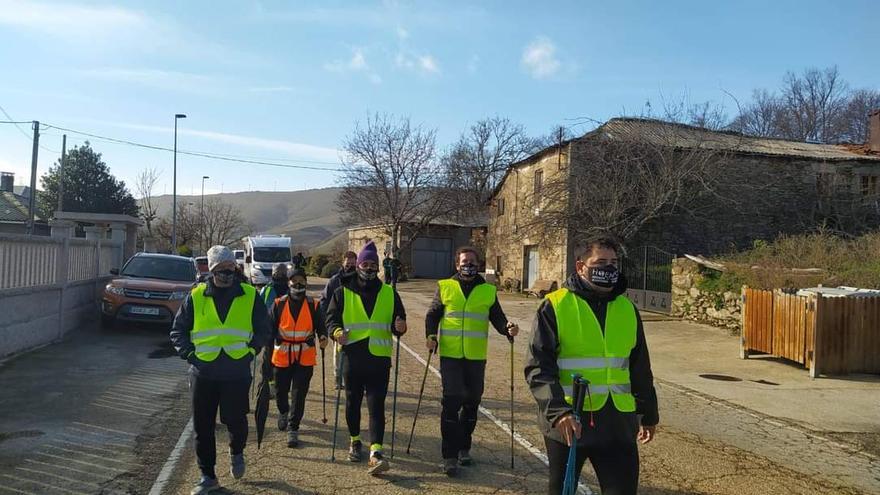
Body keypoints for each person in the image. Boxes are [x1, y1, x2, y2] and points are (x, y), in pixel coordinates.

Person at [524, 236, 659, 495]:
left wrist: (649, 413)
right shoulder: (555, 305)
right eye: (600, 262)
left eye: (613, 263)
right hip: (570, 421)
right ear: (580, 267)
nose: (608, 269)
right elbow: (538, 366)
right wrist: (558, 412)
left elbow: (640, 367)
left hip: (619, 423)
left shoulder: (627, 309)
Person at [170, 245, 271, 495]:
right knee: (203, 426)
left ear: (235, 269)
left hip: (236, 372)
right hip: (203, 372)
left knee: (235, 420)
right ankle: (208, 476)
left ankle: (236, 451)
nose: (225, 274)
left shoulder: (250, 294)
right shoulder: (196, 296)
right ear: (211, 270)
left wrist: (250, 351)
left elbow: (264, 330)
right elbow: (178, 330)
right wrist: (190, 355)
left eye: (229, 269)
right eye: (220, 269)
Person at [424, 246, 519, 476]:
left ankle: (463, 446)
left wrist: (508, 330)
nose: (468, 265)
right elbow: (433, 314)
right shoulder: (445, 286)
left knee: (472, 402)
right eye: (464, 262)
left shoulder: (487, 290)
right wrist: (431, 335)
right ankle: (449, 456)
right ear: (457, 265)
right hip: (451, 356)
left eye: (472, 262)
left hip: (476, 357)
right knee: (452, 400)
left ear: (478, 264)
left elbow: (497, 317)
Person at [326, 241, 407, 476]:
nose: (369, 268)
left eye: (373, 265)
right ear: (358, 265)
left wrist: (400, 327)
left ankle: (376, 452)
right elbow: (331, 319)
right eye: (365, 264)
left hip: (379, 359)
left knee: (376, 405)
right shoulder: (342, 292)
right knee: (352, 402)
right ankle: (354, 440)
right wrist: (336, 333)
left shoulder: (390, 293)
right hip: (352, 357)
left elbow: (398, 322)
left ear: (378, 267)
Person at [270, 267, 328, 447]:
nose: (298, 284)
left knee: (299, 394)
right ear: (288, 282)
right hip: (283, 355)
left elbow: (321, 325)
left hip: (304, 355)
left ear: (306, 282)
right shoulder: (278, 303)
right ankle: (283, 412)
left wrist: (324, 336)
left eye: (301, 280)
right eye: (294, 280)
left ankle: (293, 428)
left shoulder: (313, 304)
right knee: (281, 391)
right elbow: (269, 329)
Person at [320, 251, 358, 388]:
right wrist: (327, 320)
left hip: (356, 323)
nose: (350, 266)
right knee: (339, 352)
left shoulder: (360, 279)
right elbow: (324, 301)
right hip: (339, 323)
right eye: (348, 264)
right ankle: (338, 378)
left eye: (353, 264)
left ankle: (354, 379)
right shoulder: (334, 280)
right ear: (343, 263)